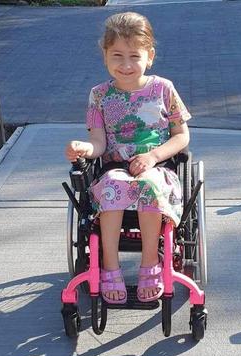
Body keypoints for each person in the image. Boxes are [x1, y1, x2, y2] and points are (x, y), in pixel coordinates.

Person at [65, 12, 191, 304]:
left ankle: (150, 262)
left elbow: (182, 136)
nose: (125, 65)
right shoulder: (99, 95)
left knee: (148, 184)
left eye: (134, 56)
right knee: (111, 185)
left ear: (150, 56)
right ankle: (110, 266)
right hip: (115, 168)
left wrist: (154, 156)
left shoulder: (163, 89)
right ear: (105, 56)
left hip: (157, 167)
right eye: (117, 56)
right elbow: (99, 142)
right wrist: (84, 147)